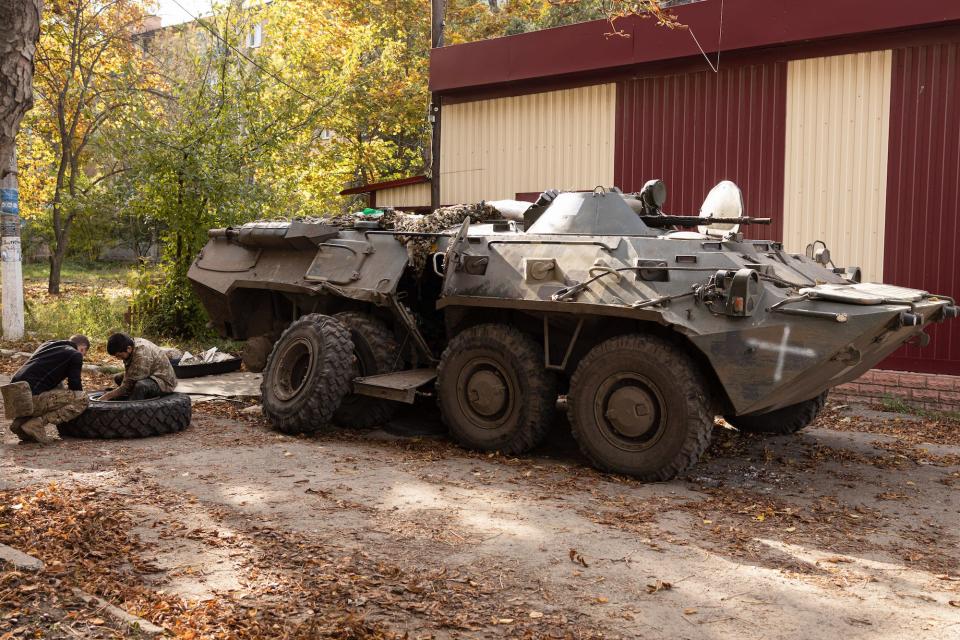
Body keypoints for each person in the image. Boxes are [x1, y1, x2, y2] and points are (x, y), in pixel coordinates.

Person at [8, 335, 91, 444]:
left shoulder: (48, 344)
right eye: (84, 353)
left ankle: (18, 425)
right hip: (31, 398)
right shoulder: (75, 354)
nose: (83, 356)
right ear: (82, 348)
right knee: (82, 398)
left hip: (13, 398)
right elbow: (75, 386)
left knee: (55, 388)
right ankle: (37, 424)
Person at [101, 333, 177, 401]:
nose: (118, 358)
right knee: (118, 378)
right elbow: (128, 376)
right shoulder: (131, 345)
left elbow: (127, 386)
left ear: (128, 348)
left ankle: (131, 407)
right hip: (149, 374)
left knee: (140, 386)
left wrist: (107, 396)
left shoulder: (141, 355)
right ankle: (134, 396)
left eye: (119, 355)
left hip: (163, 382)